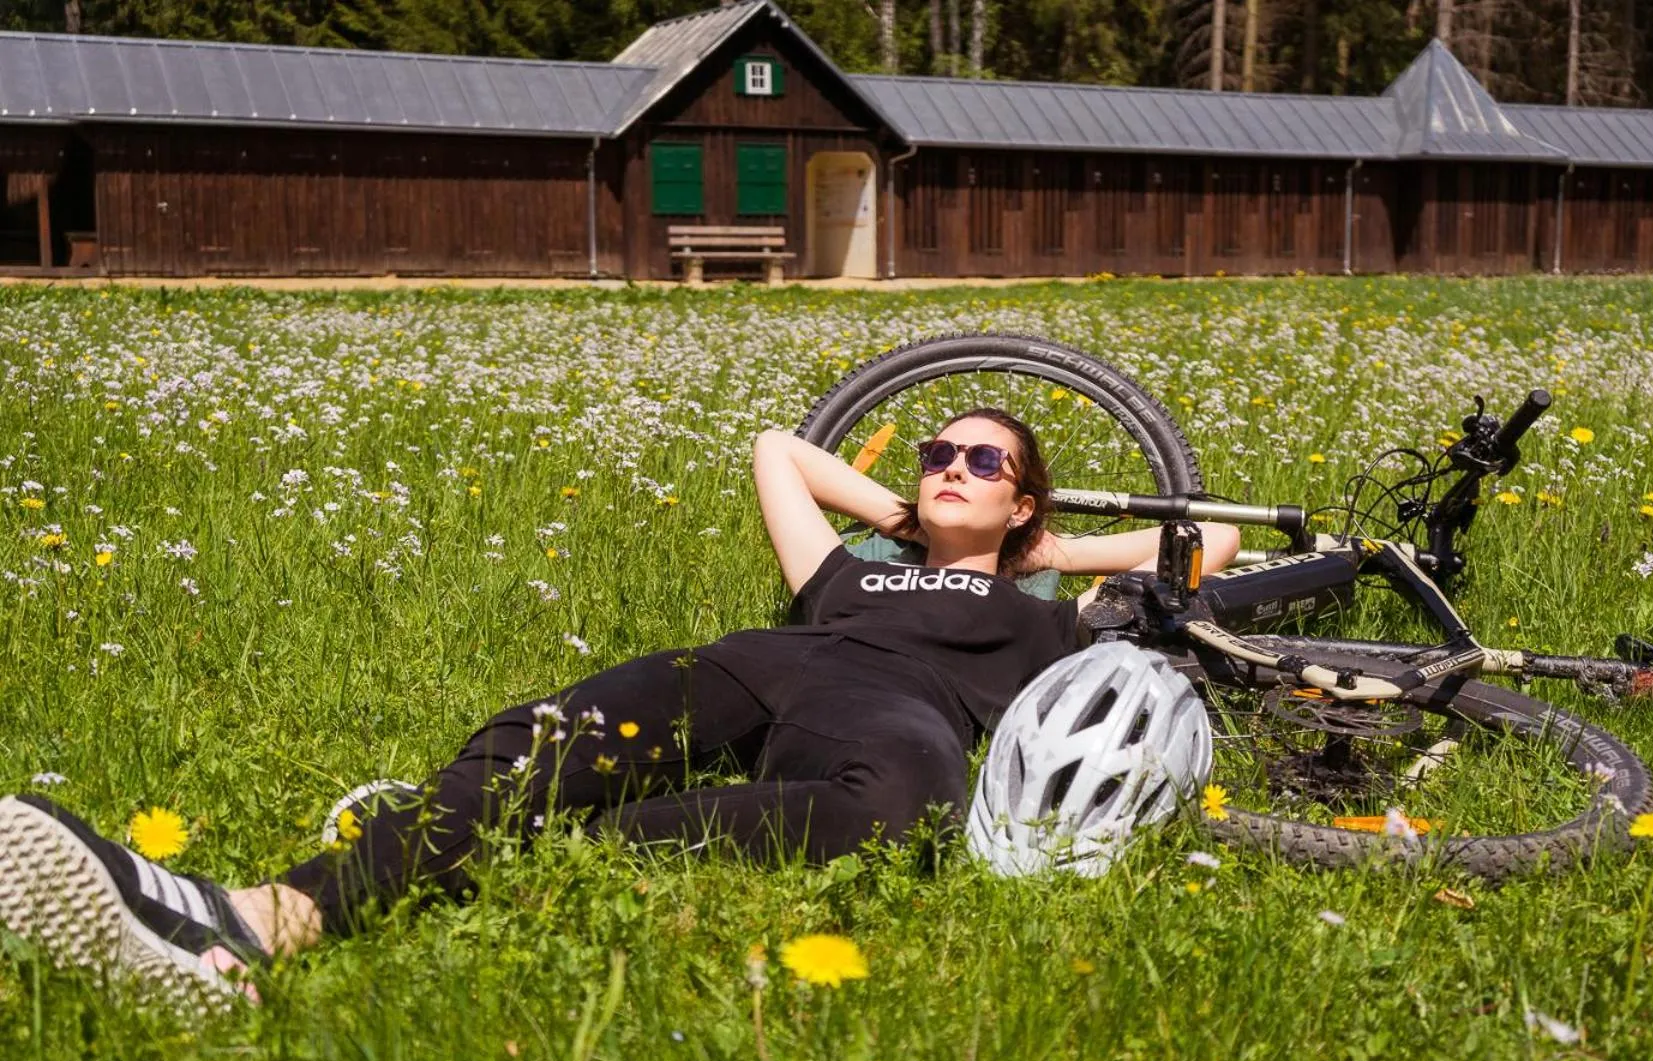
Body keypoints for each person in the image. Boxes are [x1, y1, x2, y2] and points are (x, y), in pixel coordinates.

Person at [0, 408, 1239, 1009]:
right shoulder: (845, 572)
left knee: (908, 809)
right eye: (935, 453)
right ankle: (256, 918)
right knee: (542, 747)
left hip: (907, 714)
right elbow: (778, 450)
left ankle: (544, 859)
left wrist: (1036, 550)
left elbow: (1211, 541)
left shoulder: (1047, 618)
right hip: (761, 667)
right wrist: (910, 522)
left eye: (982, 464)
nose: (947, 469)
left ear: (1027, 501)